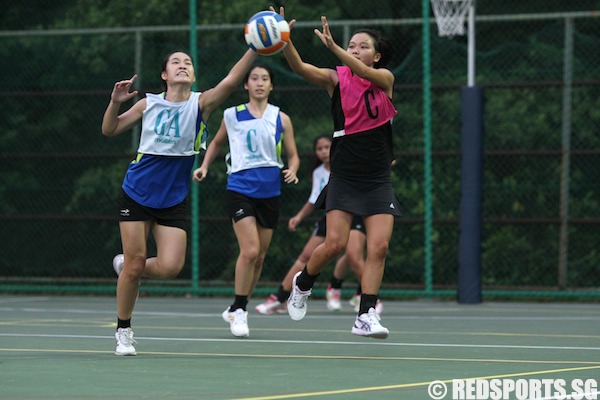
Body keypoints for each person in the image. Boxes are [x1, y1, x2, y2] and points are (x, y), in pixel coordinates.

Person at [101, 48, 258, 355]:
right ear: (165, 75)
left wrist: (255, 47)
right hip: (137, 192)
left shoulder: (201, 103)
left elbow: (230, 80)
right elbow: (110, 129)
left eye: (188, 62)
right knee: (135, 264)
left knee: (171, 266)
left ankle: (128, 267)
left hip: (172, 198)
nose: (183, 65)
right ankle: (123, 329)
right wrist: (114, 103)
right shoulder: (149, 103)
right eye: (176, 62)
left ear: (194, 75)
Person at [273, 7, 401, 339]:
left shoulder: (385, 79)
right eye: (352, 45)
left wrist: (335, 47)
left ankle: (366, 314)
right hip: (345, 174)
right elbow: (299, 67)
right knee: (333, 245)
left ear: (376, 56)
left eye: (362, 46)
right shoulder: (336, 79)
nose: (355, 50)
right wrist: (285, 40)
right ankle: (303, 283)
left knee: (380, 246)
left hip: (376, 177)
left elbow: (359, 68)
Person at [192, 63, 299, 338]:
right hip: (240, 187)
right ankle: (240, 310)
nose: (260, 83)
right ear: (246, 85)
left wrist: (293, 169)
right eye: (254, 78)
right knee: (250, 251)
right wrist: (204, 165)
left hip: (270, 191)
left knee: (259, 258)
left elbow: (293, 154)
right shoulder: (232, 115)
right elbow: (216, 142)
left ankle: (238, 305)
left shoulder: (281, 118)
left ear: (271, 86)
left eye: (265, 79)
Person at [255, 135, 383, 315]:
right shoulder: (318, 172)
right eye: (319, 148)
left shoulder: (350, 165)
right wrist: (299, 216)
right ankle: (280, 298)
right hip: (329, 216)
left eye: (326, 147)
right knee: (305, 256)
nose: (323, 151)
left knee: (354, 254)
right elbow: (314, 199)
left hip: (354, 214)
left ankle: (368, 298)